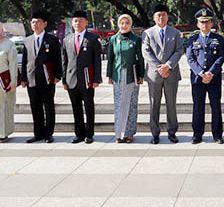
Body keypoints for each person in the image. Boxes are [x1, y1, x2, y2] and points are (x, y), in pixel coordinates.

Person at [142, 3, 184, 144]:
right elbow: (146, 52)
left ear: (168, 16)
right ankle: (155, 133)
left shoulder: (175, 33)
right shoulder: (147, 33)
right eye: (158, 15)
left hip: (171, 74)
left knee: (171, 104)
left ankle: (172, 132)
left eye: (164, 15)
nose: (161, 17)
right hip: (154, 74)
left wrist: (168, 66)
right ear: (154, 17)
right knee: (154, 105)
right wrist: (159, 67)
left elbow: (179, 50)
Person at [20, 11, 62, 143]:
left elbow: (57, 59)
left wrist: (57, 75)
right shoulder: (27, 41)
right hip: (31, 78)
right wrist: (23, 78)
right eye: (33, 22)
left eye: (38, 22)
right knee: (35, 106)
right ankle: (37, 133)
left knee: (48, 106)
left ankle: (48, 133)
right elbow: (25, 60)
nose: (35, 24)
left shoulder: (52, 40)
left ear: (44, 24)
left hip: (47, 77)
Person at [61, 10, 102, 144]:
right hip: (71, 78)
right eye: (75, 21)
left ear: (86, 22)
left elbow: (97, 60)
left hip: (87, 79)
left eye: (80, 21)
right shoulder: (67, 39)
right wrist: (64, 79)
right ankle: (79, 134)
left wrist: (96, 79)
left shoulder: (92, 38)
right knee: (76, 108)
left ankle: (89, 134)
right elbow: (64, 61)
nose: (77, 23)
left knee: (89, 107)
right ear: (72, 23)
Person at [186, 8, 224, 144]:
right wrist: (202, 73)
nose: (205, 24)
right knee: (198, 107)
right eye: (202, 22)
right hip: (198, 78)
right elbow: (190, 59)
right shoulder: (192, 39)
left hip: (214, 78)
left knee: (216, 106)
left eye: (207, 21)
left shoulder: (218, 39)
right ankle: (197, 134)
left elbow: (220, 57)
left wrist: (211, 72)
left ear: (212, 23)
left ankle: (217, 135)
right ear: (197, 24)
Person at [107, 14, 144, 143]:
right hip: (117, 75)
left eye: (126, 23)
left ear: (130, 24)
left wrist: (141, 75)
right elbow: (110, 58)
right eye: (122, 23)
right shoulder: (113, 39)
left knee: (132, 105)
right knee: (118, 104)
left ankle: (129, 133)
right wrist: (109, 75)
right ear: (118, 24)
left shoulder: (136, 39)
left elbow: (140, 58)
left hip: (131, 75)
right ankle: (119, 133)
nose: (124, 25)